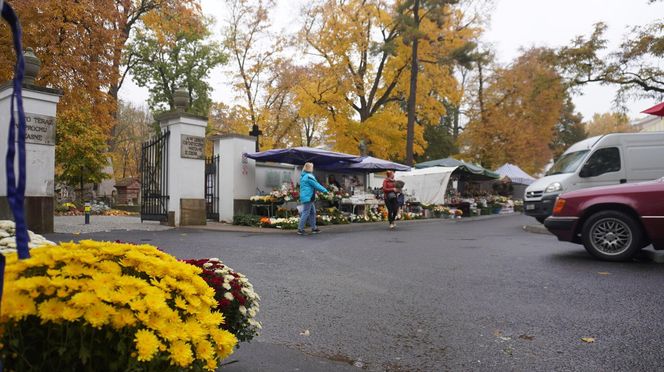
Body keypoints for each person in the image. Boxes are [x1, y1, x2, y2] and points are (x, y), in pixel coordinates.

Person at [298, 162, 328, 235]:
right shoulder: (309, 176)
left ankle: (314, 228)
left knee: (312, 212)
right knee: (306, 213)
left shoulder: (304, 176)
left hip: (307, 197)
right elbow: (316, 185)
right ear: (310, 168)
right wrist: (325, 190)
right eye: (312, 167)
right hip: (308, 197)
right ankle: (300, 229)